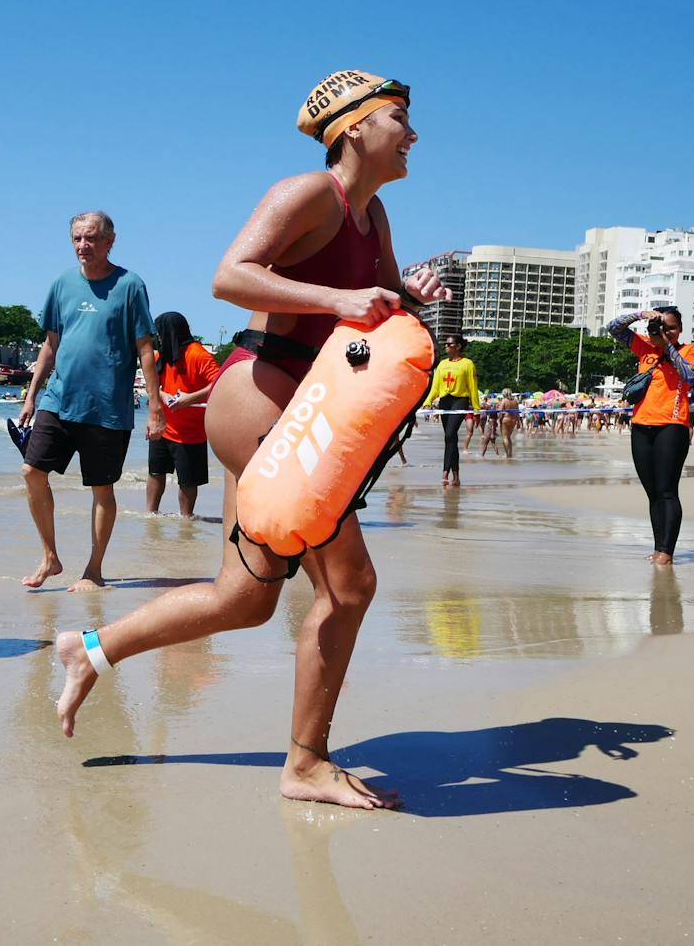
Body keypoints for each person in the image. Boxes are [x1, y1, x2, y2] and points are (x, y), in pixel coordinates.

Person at [51, 70, 449, 809]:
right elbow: (228, 276)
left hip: (307, 402)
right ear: (354, 127)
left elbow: (378, 299)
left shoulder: (375, 216)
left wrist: (409, 295)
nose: (413, 133)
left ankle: (92, 650)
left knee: (245, 599)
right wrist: (337, 298)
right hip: (262, 393)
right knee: (349, 585)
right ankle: (304, 765)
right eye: (399, 118)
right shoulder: (306, 193)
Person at [17, 211, 164, 591]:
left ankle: (94, 570)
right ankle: (50, 557)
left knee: (102, 488)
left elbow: (145, 348)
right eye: (77, 239)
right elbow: (50, 345)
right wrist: (32, 395)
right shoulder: (62, 284)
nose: (83, 246)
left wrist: (155, 406)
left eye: (92, 238)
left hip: (108, 407)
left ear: (110, 241)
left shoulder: (130, 285)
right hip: (60, 397)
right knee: (32, 472)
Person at [608, 305, 694, 565]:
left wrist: (666, 345)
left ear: (680, 329)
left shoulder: (689, 350)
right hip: (641, 424)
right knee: (652, 492)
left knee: (667, 490)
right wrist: (641, 316)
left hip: (672, 425)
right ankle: (658, 547)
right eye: (662, 327)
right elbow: (614, 328)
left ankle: (667, 551)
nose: (666, 332)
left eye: (671, 327)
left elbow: (690, 374)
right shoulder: (644, 348)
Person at [146, 311, 222, 519]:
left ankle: (186, 521)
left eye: (160, 333)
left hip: (191, 433)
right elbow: (151, 382)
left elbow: (220, 383)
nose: (158, 338)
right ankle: (150, 517)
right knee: (155, 473)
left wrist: (190, 399)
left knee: (188, 481)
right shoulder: (161, 354)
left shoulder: (198, 355)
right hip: (162, 427)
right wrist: (162, 395)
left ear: (171, 332)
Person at [423, 335, 479, 487]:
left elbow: (473, 387)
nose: (446, 346)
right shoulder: (441, 364)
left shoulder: (468, 364)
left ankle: (445, 472)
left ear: (458, 346)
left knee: (449, 434)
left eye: (450, 344)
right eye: (446, 344)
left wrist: (477, 409)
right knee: (450, 439)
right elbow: (435, 387)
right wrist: (427, 402)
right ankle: (456, 476)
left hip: (460, 400)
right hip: (445, 402)